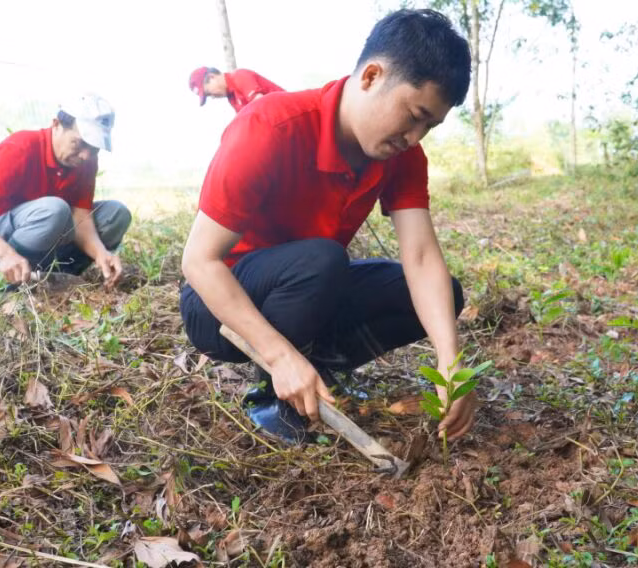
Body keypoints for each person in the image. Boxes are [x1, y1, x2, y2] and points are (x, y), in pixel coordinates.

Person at [180, 9, 473, 443]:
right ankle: (275, 394)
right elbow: (199, 261)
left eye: (430, 126)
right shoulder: (270, 128)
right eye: (414, 114)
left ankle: (317, 366)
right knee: (323, 259)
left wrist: (451, 365)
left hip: (310, 287)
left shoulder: (402, 157)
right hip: (219, 305)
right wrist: (279, 357)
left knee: (442, 293)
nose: (415, 137)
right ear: (372, 76)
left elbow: (421, 255)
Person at [0, 94, 132, 288]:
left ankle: (52, 278)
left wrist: (101, 253)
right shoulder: (21, 148)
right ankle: (7, 280)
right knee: (55, 210)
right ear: (57, 124)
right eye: (80, 143)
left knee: (116, 214)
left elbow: (81, 217)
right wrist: (5, 254)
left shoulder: (85, 160)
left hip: (41, 240)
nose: (85, 155)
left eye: (94, 148)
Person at [188, 67, 283, 113]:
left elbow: (262, 106)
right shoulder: (231, 97)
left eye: (209, 93)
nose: (213, 97)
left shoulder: (239, 76)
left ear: (211, 77)